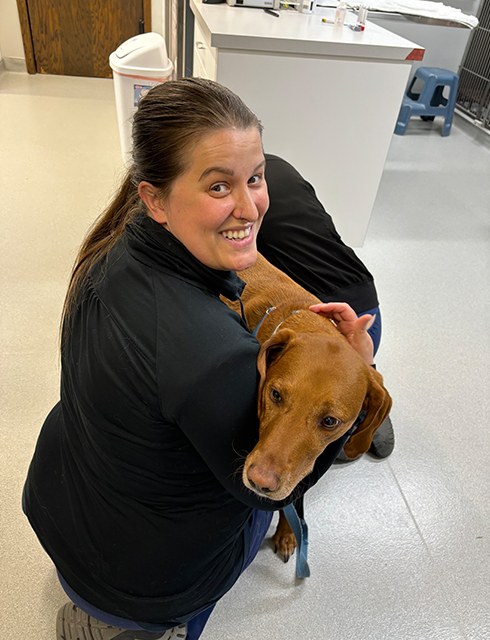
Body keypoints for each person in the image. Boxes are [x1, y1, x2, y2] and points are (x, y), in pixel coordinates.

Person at [23, 78, 379, 640]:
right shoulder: (217, 359)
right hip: (143, 584)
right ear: (155, 198)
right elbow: (264, 480)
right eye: (218, 186)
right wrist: (351, 383)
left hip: (59, 498)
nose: (250, 206)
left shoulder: (108, 248)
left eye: (256, 178)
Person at [258, 154, 395, 461]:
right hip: (367, 313)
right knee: (325, 401)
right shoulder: (281, 167)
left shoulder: (240, 204)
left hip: (324, 316)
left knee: (308, 425)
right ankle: (360, 396)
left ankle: (359, 408)